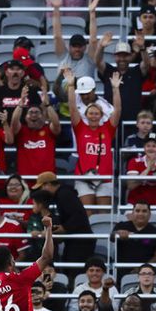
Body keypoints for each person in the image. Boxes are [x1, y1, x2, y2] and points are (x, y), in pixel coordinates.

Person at [65, 68, 122, 210]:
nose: (94, 115)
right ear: (86, 114)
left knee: (102, 214)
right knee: (87, 213)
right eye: (90, 113)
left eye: (97, 113)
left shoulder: (108, 129)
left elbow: (118, 111)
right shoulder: (80, 128)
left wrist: (115, 89)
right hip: (84, 176)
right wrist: (71, 86)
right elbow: (72, 108)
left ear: (102, 115)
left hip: (105, 177)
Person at [32, 172, 95, 274]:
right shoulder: (63, 194)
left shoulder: (64, 195)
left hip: (80, 241)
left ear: (48, 184)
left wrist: (63, 228)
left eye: (42, 187)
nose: (42, 190)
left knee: (74, 271)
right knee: (70, 268)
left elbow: (77, 217)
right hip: (77, 239)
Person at [125, 132, 156, 206]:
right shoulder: (134, 161)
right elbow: (130, 185)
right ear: (144, 147)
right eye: (148, 146)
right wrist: (148, 169)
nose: (151, 149)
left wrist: (153, 169)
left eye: (154, 146)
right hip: (135, 205)